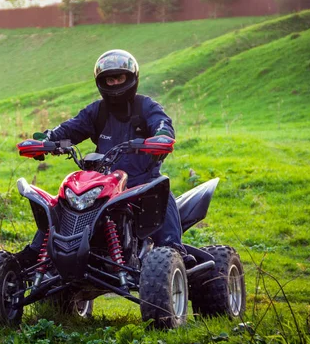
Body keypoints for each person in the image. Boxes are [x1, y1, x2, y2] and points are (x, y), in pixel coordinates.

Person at [15, 49, 194, 268]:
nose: (115, 83)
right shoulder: (97, 111)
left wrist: (162, 137)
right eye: (109, 79)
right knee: (60, 205)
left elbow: (162, 123)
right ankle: (36, 254)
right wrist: (46, 141)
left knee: (161, 194)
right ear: (102, 82)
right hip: (105, 185)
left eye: (119, 77)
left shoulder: (146, 106)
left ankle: (174, 250)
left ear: (131, 78)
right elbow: (71, 128)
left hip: (141, 184)